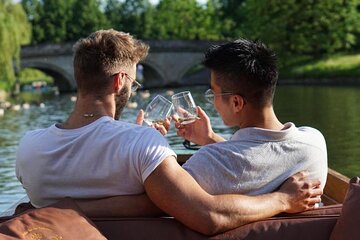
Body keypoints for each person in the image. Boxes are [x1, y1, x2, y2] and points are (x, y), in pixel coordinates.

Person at [16, 29, 322, 235]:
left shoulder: (28, 147)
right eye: (134, 84)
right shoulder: (314, 141)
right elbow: (207, 215)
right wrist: (283, 200)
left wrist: (134, 138)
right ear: (119, 82)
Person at [174, 38, 328, 196]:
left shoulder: (209, 162)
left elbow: (162, 196)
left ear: (236, 103)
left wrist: (152, 139)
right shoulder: (314, 143)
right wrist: (210, 138)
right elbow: (261, 153)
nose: (213, 101)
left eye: (213, 93)